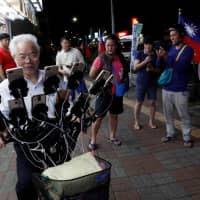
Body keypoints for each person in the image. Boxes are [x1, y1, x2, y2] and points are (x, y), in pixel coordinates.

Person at [0, 34, 68, 200]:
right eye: (22, 56)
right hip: (26, 140)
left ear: (39, 55)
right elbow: (3, 114)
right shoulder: (5, 86)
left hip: (53, 136)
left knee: (63, 180)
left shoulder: (51, 77)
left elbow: (64, 102)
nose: (28, 61)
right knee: (24, 185)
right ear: (14, 58)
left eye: (33, 54)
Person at [88, 34, 129, 150]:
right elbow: (91, 74)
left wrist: (123, 78)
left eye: (112, 45)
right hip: (104, 92)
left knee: (114, 115)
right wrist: (103, 76)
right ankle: (93, 139)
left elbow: (124, 72)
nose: (110, 48)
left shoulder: (120, 57)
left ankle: (112, 136)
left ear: (116, 46)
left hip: (117, 92)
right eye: (108, 45)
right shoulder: (101, 58)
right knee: (98, 117)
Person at [160, 24, 194, 148]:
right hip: (167, 88)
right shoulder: (170, 49)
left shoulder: (188, 49)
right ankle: (170, 133)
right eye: (171, 36)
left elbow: (181, 67)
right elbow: (167, 66)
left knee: (184, 115)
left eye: (174, 35)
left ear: (181, 35)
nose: (172, 38)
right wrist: (161, 58)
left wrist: (166, 57)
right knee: (167, 114)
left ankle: (187, 137)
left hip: (181, 89)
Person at [133, 35, 159, 130]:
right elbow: (135, 68)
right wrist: (145, 62)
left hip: (152, 83)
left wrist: (153, 69)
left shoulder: (156, 55)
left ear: (152, 45)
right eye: (146, 44)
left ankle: (151, 121)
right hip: (141, 82)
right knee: (139, 102)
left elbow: (159, 70)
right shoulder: (139, 53)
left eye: (150, 44)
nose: (148, 46)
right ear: (144, 45)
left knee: (152, 102)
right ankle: (136, 122)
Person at [56, 35, 88, 104]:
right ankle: (71, 112)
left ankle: (85, 110)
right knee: (69, 99)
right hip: (67, 79)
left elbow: (83, 63)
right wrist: (62, 71)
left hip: (78, 78)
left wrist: (75, 65)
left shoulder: (76, 51)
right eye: (65, 43)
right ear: (61, 44)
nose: (67, 45)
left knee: (84, 96)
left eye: (68, 43)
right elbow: (58, 68)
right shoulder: (59, 54)